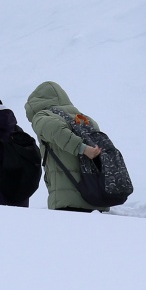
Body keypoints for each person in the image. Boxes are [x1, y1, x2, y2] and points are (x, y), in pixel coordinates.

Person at [24, 81, 107, 213]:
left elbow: (56, 130)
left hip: (68, 201)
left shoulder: (42, 116)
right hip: (96, 196)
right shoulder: (85, 119)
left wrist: (82, 149)